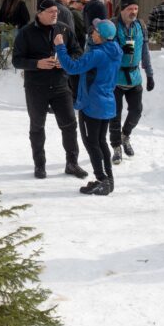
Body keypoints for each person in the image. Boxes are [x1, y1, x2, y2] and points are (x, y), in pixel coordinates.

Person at [12, 0, 88, 180]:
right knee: (37, 126)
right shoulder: (26, 32)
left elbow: (78, 51)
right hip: (36, 87)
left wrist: (66, 61)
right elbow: (17, 60)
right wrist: (37, 63)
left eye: (56, 11)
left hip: (61, 85)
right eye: (51, 12)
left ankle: (72, 163)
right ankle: (40, 164)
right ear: (40, 13)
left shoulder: (63, 29)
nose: (55, 14)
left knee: (70, 124)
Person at [54, 19, 122, 195]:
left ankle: (102, 179)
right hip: (106, 103)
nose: (91, 33)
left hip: (92, 104)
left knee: (91, 143)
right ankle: (107, 179)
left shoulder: (97, 54)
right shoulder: (115, 50)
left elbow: (71, 67)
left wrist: (60, 47)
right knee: (100, 141)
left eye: (94, 31)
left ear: (101, 36)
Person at [110, 0, 154, 163]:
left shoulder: (141, 26)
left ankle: (125, 136)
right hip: (115, 77)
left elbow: (144, 51)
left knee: (136, 111)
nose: (133, 11)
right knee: (114, 115)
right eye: (130, 8)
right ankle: (116, 147)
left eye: (136, 8)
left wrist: (149, 75)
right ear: (122, 9)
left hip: (134, 77)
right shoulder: (113, 25)